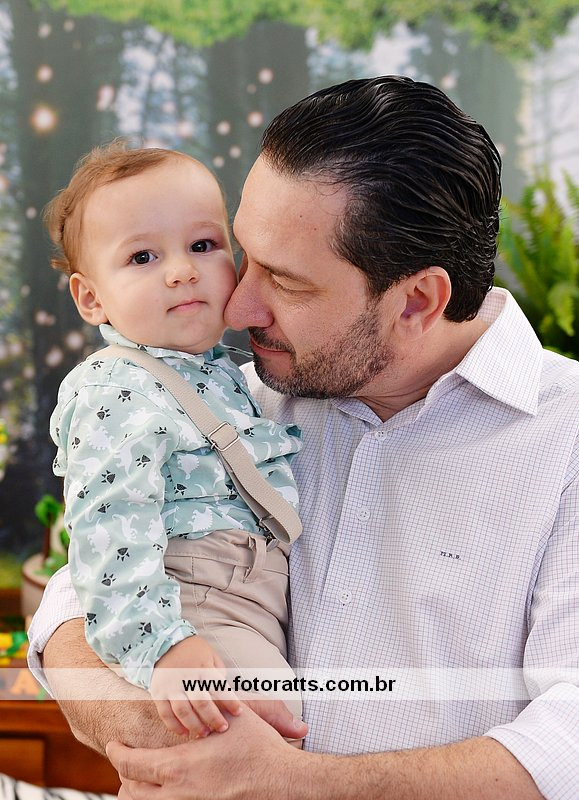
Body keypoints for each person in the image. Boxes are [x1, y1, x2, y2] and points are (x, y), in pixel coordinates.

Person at [29, 76, 578, 800]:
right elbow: (75, 604)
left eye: (286, 282)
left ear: (417, 300)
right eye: (242, 254)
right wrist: (175, 730)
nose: (237, 304)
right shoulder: (233, 398)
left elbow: (568, 743)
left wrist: (289, 783)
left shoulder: (564, 441)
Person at [41, 142, 305, 738]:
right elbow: (110, 525)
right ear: (92, 298)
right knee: (259, 751)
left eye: (203, 245)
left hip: (249, 606)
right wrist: (162, 645)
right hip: (190, 608)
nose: (182, 270)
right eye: (143, 256)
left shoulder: (223, 375)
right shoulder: (116, 387)